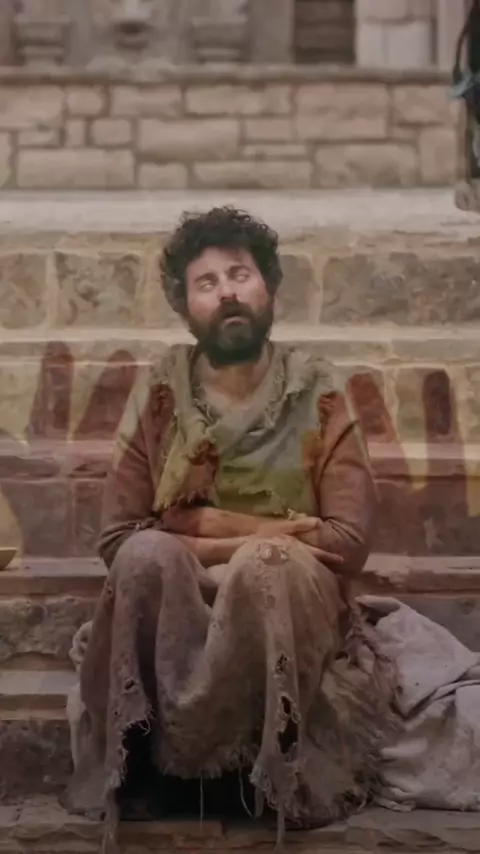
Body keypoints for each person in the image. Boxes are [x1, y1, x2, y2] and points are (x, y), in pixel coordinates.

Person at [66, 207, 394, 853]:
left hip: (287, 593)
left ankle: (264, 777)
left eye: (240, 274)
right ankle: (154, 771)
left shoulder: (318, 393)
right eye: (207, 283)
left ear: (268, 285)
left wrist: (230, 533)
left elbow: (348, 541)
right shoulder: (161, 393)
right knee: (147, 556)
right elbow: (117, 536)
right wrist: (231, 541)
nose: (227, 293)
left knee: (265, 566)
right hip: (180, 595)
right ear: (185, 305)